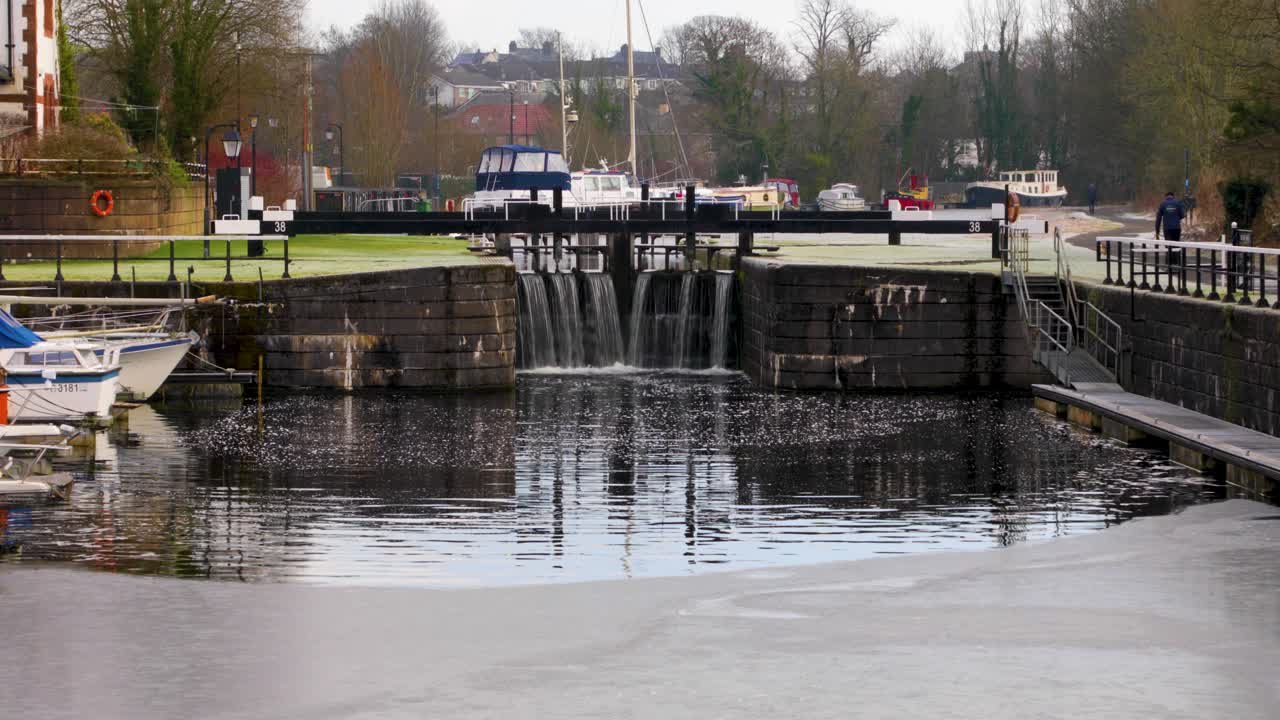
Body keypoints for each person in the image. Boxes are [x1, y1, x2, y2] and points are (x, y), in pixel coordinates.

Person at [1156, 191, 1187, 274]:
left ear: (1166, 196)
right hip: (1177, 228)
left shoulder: (1163, 204)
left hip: (1167, 229)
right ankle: (1178, 266)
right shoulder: (1178, 203)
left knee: (1168, 247)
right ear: (1173, 196)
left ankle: (1169, 267)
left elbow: (1158, 218)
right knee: (1176, 246)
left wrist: (1157, 231)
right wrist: (1176, 218)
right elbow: (1183, 215)